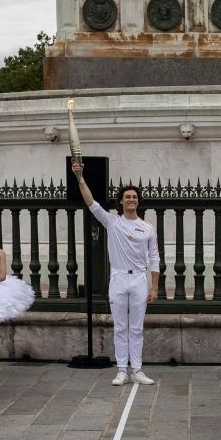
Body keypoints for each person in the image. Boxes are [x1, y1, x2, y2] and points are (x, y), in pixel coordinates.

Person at [71, 161, 160, 385]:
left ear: (138, 202)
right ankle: (122, 369)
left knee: (136, 327)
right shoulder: (112, 223)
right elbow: (91, 203)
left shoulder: (147, 228)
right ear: (121, 201)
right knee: (120, 326)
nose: (131, 200)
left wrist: (155, 286)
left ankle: (137, 370)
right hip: (119, 278)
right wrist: (80, 177)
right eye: (127, 197)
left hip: (139, 278)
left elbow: (155, 258)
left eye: (134, 197)